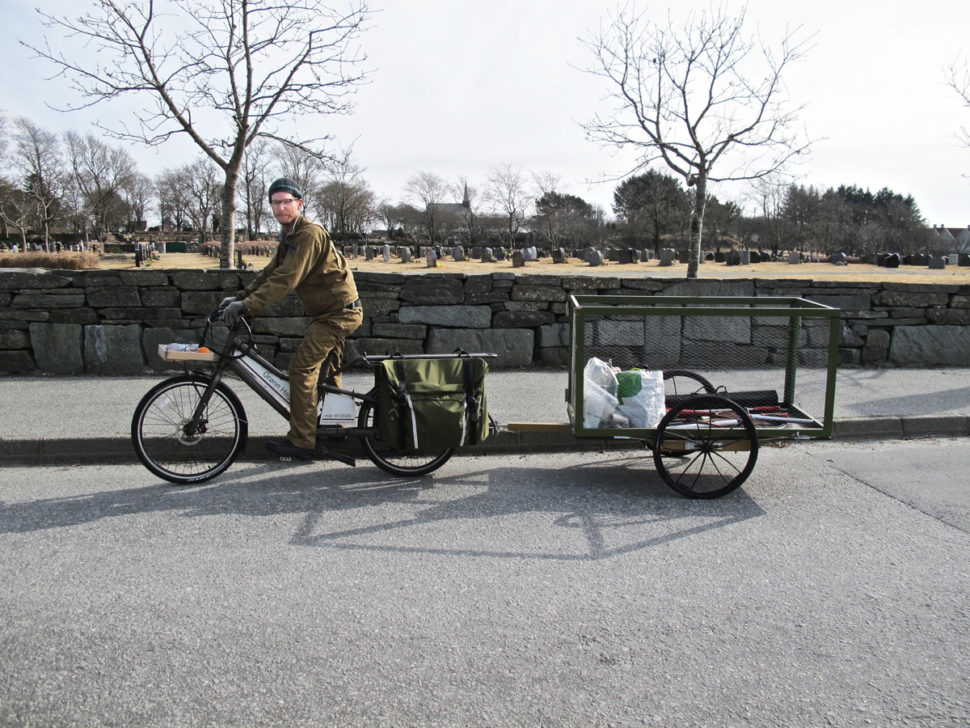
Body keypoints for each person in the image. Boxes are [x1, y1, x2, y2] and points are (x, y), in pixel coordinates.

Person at [223, 177, 363, 459]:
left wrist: (248, 305)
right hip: (328, 312)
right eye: (276, 203)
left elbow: (287, 279)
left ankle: (302, 442)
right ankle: (336, 428)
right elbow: (270, 273)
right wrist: (240, 297)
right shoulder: (288, 237)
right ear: (271, 207)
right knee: (328, 372)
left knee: (301, 369)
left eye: (287, 202)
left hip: (339, 313)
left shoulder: (309, 234)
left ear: (299, 204)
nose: (282, 207)